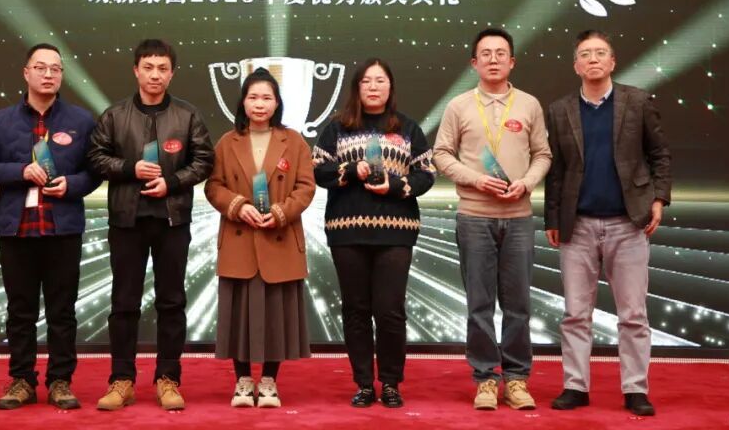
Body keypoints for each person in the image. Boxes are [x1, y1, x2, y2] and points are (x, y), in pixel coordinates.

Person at [544, 30, 671, 417]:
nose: (593, 59)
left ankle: (635, 389)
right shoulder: (560, 110)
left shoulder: (638, 101)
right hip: (578, 225)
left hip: (628, 223)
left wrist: (659, 199)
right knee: (575, 314)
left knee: (633, 315)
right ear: (576, 66)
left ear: (613, 62)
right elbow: (556, 170)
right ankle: (575, 386)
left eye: (601, 53)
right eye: (586, 54)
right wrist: (553, 217)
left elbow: (660, 155)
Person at [86, 39, 214, 412]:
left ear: (172, 73)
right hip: (126, 221)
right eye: (148, 67)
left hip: (172, 220)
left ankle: (168, 379)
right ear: (136, 71)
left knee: (171, 302)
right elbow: (95, 158)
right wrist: (130, 168)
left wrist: (171, 183)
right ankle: (121, 380)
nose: (155, 74)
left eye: (162, 68)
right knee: (123, 303)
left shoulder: (187, 115)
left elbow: (204, 161)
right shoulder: (115, 115)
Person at [0, 43, 101, 411]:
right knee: (20, 310)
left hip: (63, 230)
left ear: (62, 76)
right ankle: (21, 380)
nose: (48, 74)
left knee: (63, 311)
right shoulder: (1, 121)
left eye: (55, 69)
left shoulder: (81, 121)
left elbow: (95, 172)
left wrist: (71, 185)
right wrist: (21, 171)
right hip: (18, 231)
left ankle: (60, 381)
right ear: (26, 72)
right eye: (41, 67)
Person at [433, 28, 551, 411]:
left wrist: (527, 183)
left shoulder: (529, 104)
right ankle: (485, 378)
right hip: (474, 217)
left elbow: (543, 154)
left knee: (518, 305)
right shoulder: (458, 106)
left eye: (501, 53)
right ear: (474, 63)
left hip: (518, 218)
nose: (494, 59)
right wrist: (475, 179)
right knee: (479, 304)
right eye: (486, 53)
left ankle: (516, 379)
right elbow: (441, 154)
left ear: (512, 62)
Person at [312, 58, 435, 409]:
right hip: (347, 232)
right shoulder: (337, 128)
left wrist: (396, 186)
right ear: (357, 87)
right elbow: (319, 171)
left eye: (380, 80)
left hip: (395, 233)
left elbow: (426, 173)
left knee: (390, 310)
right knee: (355, 310)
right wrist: (351, 170)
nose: (373, 86)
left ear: (390, 87)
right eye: (366, 81)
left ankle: (391, 382)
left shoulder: (407, 127)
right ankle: (364, 383)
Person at [205, 68, 316, 408]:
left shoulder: (293, 141)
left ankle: (268, 381)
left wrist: (281, 212)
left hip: (278, 235)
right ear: (243, 102)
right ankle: (242, 381)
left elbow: (306, 187)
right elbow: (213, 186)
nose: (259, 104)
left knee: (275, 315)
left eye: (267, 97)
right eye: (253, 97)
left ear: (277, 103)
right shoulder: (227, 142)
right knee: (238, 313)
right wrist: (238, 206)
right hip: (239, 236)